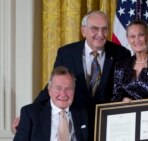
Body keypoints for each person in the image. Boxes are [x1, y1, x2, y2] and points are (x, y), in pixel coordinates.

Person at [12, 10, 131, 140]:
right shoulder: (67, 53)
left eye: (104, 29)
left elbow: (124, 88)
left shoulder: (121, 53)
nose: (100, 34)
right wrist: (29, 116)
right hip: (77, 121)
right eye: (95, 29)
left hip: (107, 123)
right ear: (83, 30)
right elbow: (55, 85)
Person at [13, 66, 89, 141]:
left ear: (74, 91)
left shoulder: (82, 113)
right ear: (49, 90)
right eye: (58, 88)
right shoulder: (30, 113)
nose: (63, 94)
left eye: (68, 89)